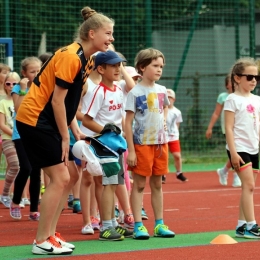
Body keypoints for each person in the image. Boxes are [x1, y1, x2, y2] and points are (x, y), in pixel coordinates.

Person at [15, 6, 115, 255]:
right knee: (61, 178)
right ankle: (41, 240)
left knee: (67, 177)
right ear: (92, 33)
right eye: (108, 33)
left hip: (46, 120)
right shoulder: (71, 57)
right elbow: (57, 101)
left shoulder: (86, 58)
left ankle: (50, 235)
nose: (112, 38)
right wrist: (64, 137)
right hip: (35, 119)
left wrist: (75, 131)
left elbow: (69, 102)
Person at [81, 50, 133, 241]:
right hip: (103, 145)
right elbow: (86, 120)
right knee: (108, 186)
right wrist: (105, 128)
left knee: (116, 183)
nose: (118, 68)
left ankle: (113, 224)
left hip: (116, 145)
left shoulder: (119, 89)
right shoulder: (97, 91)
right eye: (113, 65)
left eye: (119, 65)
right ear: (101, 69)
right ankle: (106, 227)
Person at [125, 48, 175, 239]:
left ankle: (159, 224)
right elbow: (127, 123)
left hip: (160, 145)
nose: (159, 69)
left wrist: (164, 124)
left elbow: (164, 111)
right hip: (142, 145)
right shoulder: (135, 92)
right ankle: (138, 224)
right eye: (155, 65)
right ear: (142, 67)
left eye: (161, 66)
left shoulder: (162, 90)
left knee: (157, 185)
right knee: (138, 185)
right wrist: (131, 151)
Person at [224, 57, 260, 239]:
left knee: (248, 187)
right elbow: (228, 128)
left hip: (254, 148)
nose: (254, 80)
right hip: (239, 148)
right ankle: (252, 226)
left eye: (256, 77)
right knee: (250, 186)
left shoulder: (257, 99)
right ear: (237, 78)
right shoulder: (232, 99)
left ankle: (241, 225)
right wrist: (234, 153)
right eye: (249, 77)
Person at [10, 57, 43, 221]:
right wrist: (23, 88)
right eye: (32, 71)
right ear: (24, 73)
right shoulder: (17, 88)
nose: (36, 74)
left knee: (36, 170)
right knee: (26, 167)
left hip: (37, 133)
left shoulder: (41, 87)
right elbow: (18, 108)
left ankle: (34, 209)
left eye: (38, 70)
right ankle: (16, 201)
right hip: (20, 134)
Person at [206, 75, 241, 187]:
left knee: (238, 151)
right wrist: (210, 127)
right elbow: (216, 113)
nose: (234, 84)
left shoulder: (241, 96)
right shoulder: (223, 97)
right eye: (231, 82)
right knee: (235, 152)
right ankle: (234, 175)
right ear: (227, 85)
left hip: (240, 128)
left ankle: (225, 171)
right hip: (228, 129)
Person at [0, 72, 20, 208]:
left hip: (23, 139)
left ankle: (19, 196)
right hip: (8, 138)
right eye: (8, 83)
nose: (11, 86)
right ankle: (5, 194)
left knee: (25, 168)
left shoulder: (23, 100)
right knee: (14, 165)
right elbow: (1, 124)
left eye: (14, 84)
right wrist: (14, 133)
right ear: (4, 85)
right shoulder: (2, 102)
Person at [163, 88, 187, 184]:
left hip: (173, 136)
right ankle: (162, 174)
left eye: (170, 98)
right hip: (163, 136)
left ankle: (179, 173)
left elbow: (177, 124)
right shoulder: (161, 110)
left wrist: (174, 133)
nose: (169, 99)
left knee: (177, 155)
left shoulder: (177, 112)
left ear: (174, 99)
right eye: (167, 97)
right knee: (164, 156)